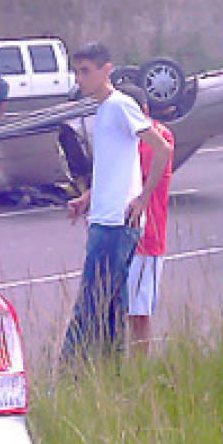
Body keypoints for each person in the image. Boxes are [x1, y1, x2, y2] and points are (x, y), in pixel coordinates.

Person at [62, 42, 172, 358]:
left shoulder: (120, 105)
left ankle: (70, 374)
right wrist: (88, 197)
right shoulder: (105, 109)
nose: (79, 79)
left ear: (105, 70)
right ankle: (112, 372)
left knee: (89, 307)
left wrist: (142, 198)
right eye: (76, 71)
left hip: (114, 224)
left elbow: (161, 148)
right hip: (105, 217)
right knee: (111, 311)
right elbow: (116, 165)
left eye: (86, 71)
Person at [118, 83, 175, 356]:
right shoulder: (126, 138)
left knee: (139, 314)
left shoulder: (157, 139)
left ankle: (140, 371)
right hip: (123, 238)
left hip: (146, 239)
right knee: (122, 311)